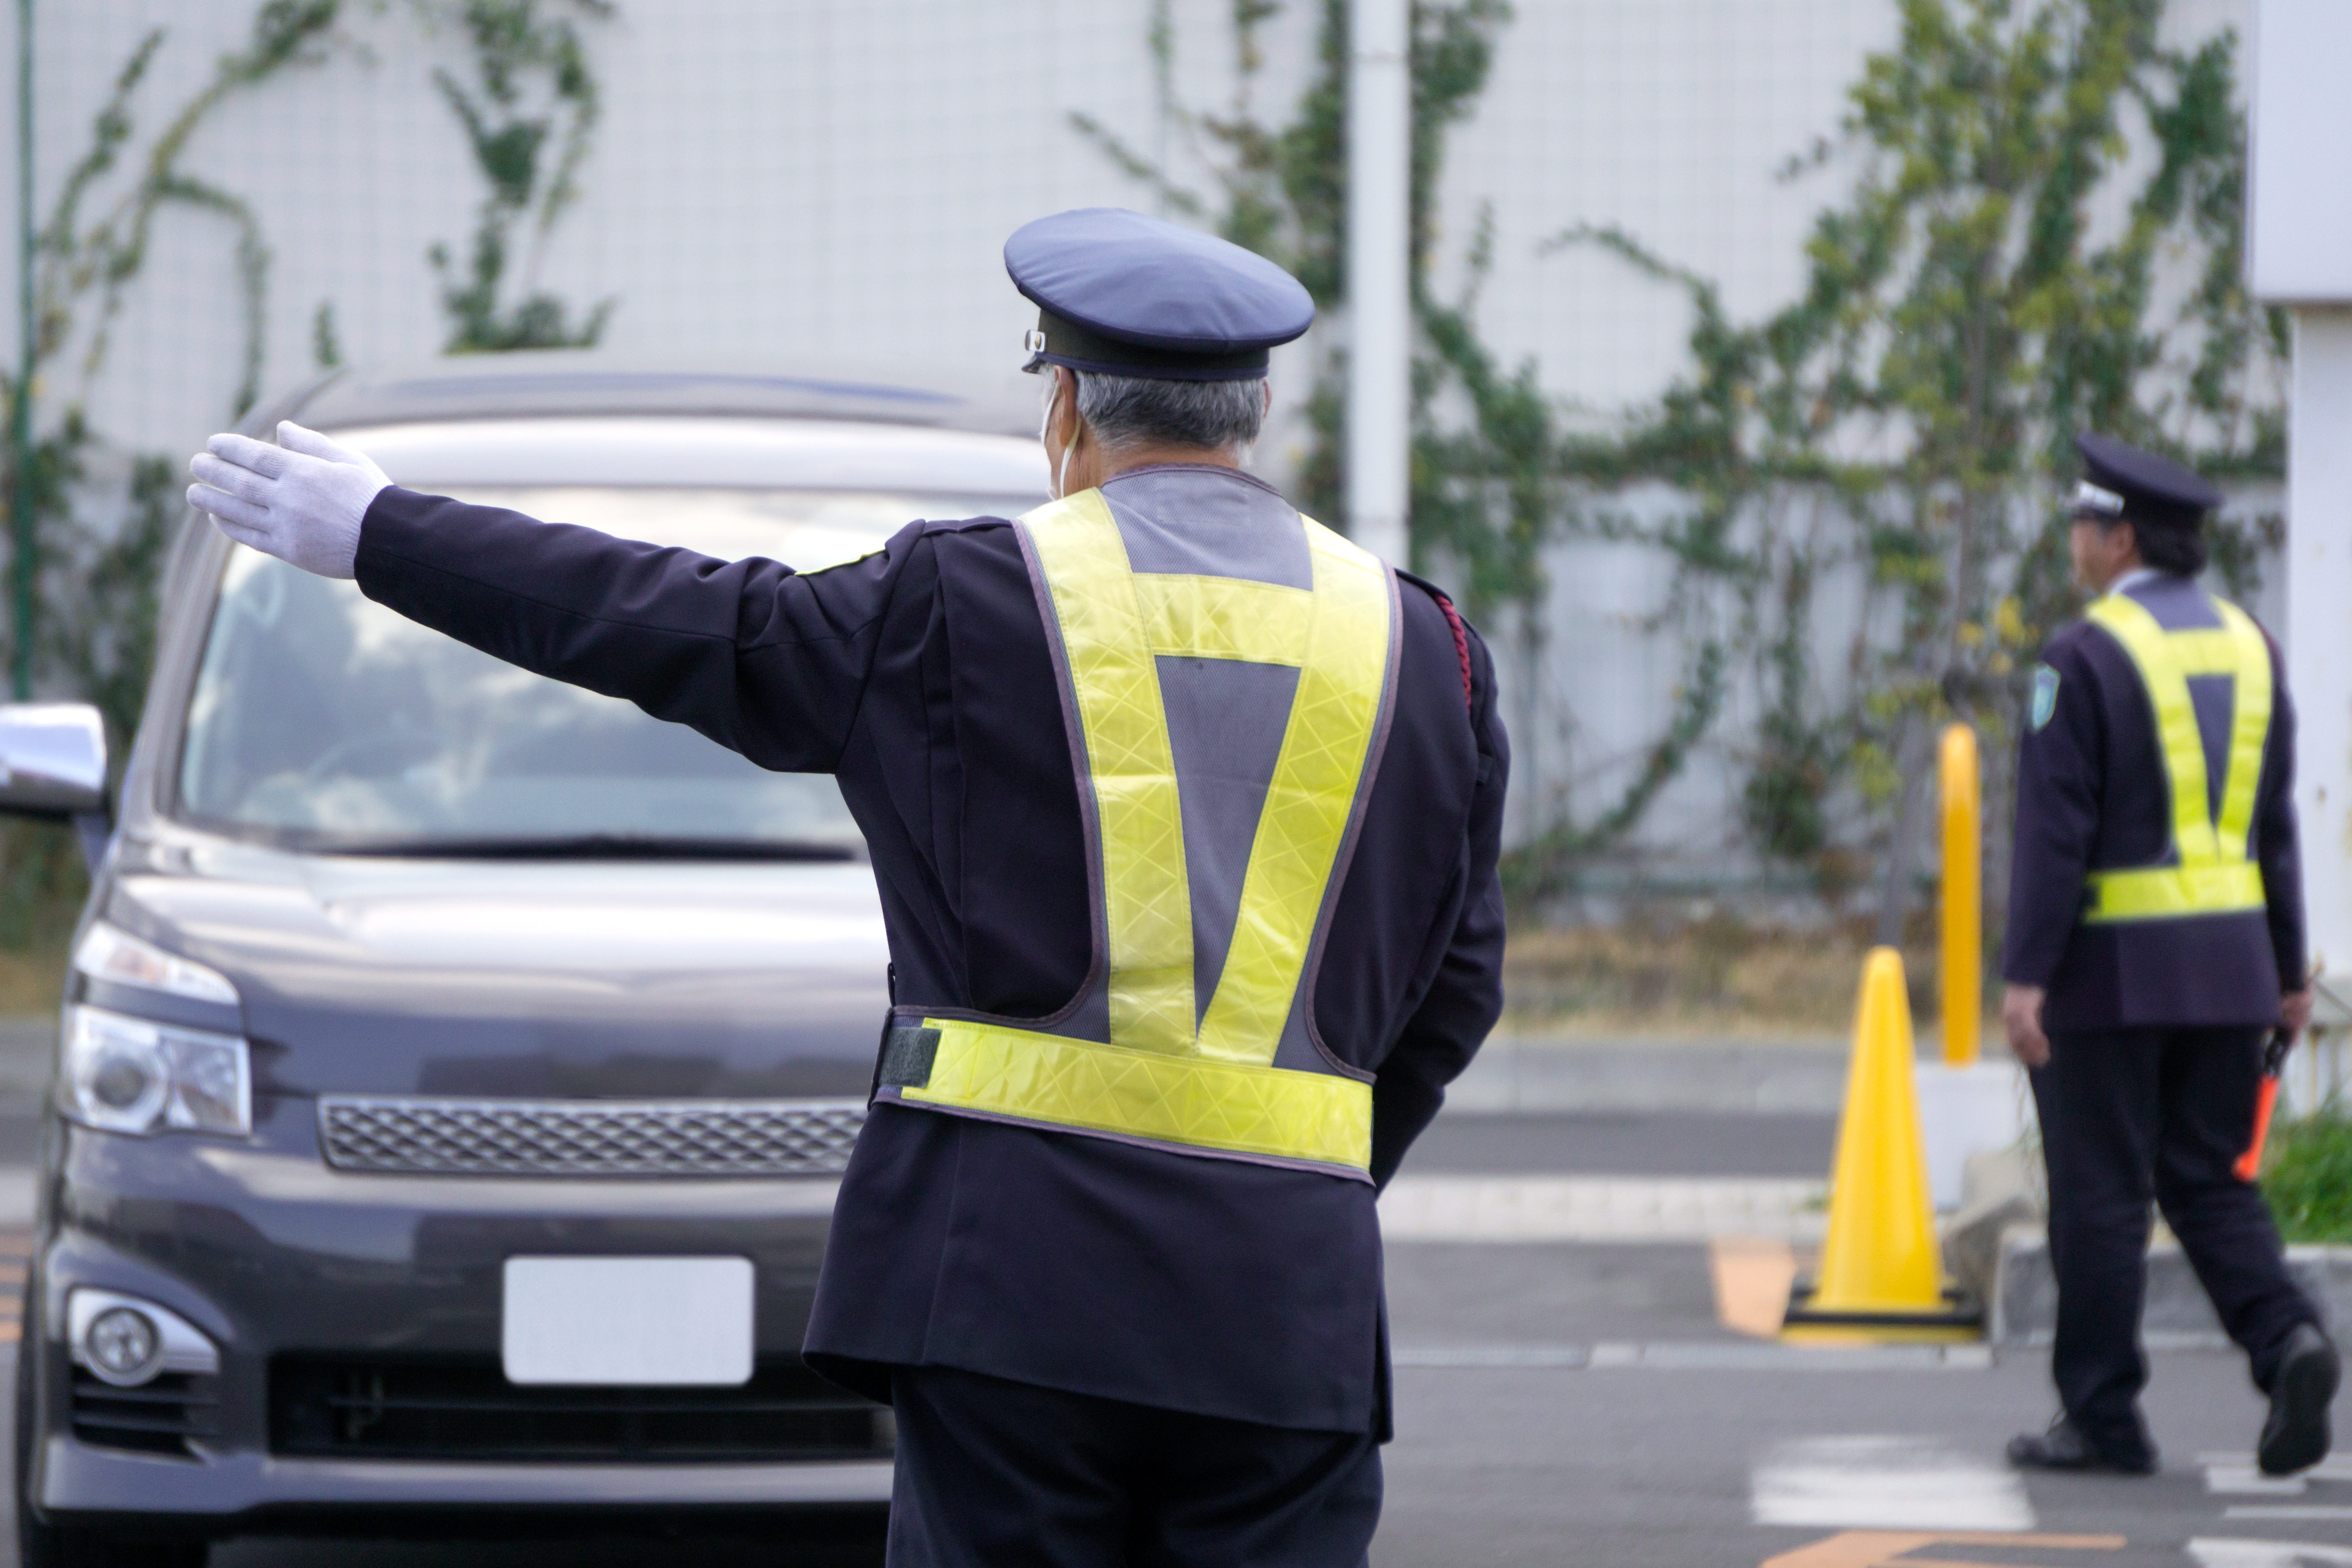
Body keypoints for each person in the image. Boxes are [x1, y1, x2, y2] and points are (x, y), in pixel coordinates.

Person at [183, 207, 1508, 1567]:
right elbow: (1456, 991)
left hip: (1003, 1292)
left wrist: (384, 533)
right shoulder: (1426, 646)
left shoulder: (959, 600)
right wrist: (1300, 1178)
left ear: (1064, 405)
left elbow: (678, 620)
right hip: (1287, 1303)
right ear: (1258, 408)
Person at [2000, 432, 2337, 1479]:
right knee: (2209, 1179)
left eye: (2082, 524)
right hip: (2233, 973)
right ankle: (2288, 1339)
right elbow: (2272, 825)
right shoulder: (2253, 647)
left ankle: (2103, 1418)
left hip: (2110, 977)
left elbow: (2056, 834)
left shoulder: (2082, 657)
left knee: (2101, 1194)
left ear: (2122, 536)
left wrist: (2026, 975)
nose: (2073, 541)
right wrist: (2289, 973)